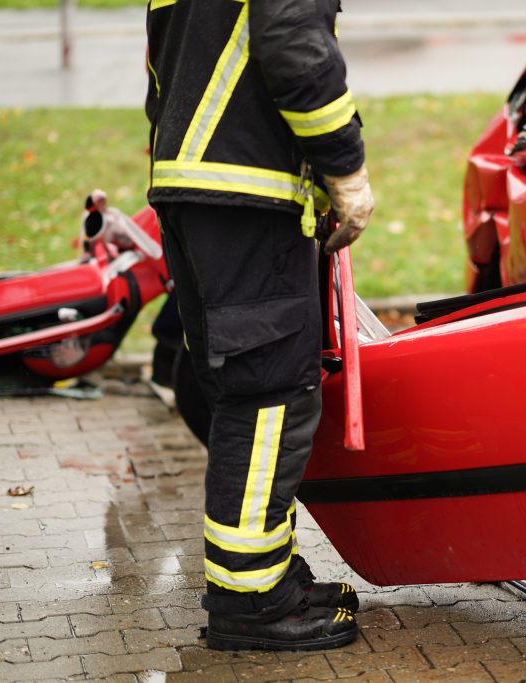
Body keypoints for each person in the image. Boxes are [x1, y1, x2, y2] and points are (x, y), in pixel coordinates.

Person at [144, 0, 374, 651]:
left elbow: (164, 68)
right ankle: (251, 600)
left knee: (244, 392)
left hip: (193, 189)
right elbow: (294, 45)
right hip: (247, 195)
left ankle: (268, 573)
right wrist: (345, 167)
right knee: (270, 394)